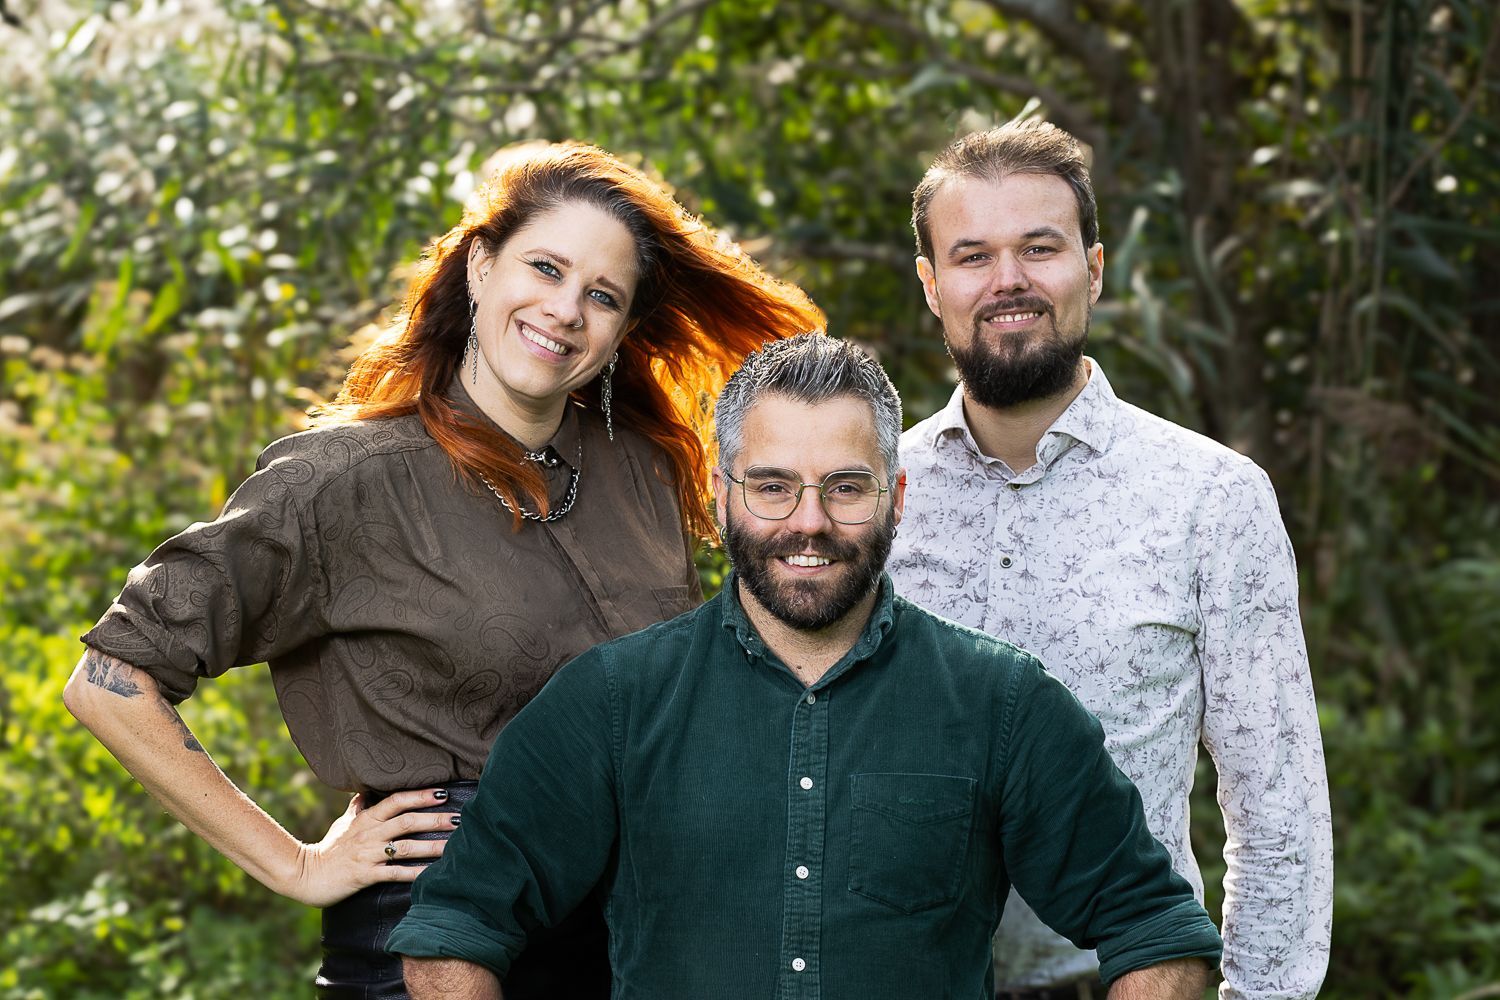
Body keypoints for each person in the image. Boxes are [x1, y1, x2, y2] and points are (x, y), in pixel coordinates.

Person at [62, 141, 824, 998]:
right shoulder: (343, 480)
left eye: (601, 296)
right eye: (545, 267)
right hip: (438, 938)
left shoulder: (642, 467)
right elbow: (109, 681)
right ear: (480, 266)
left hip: (635, 929)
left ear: (621, 332)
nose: (566, 310)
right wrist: (296, 864)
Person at [387, 334, 1223, 1000]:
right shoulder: (612, 703)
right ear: (722, 495)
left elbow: (1156, 930)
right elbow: (453, 927)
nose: (809, 523)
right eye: (774, 486)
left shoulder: (1003, 705)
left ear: (897, 498)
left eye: (847, 488)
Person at [889, 118, 1333, 999]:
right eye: (972, 256)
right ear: (932, 287)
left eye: (1039, 248)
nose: (1008, 281)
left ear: (1094, 269)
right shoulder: (869, 498)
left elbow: (1278, 812)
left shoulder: (1212, 496)